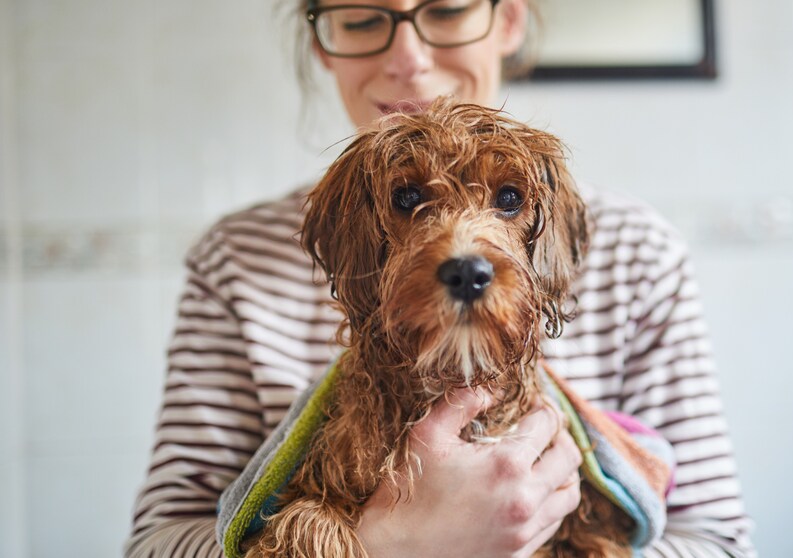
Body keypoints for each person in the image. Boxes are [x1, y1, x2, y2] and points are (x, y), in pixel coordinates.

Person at [125, 0, 756, 556]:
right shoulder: (234, 260)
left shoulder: (638, 251)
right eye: (365, 18)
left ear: (508, 17)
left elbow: (718, 542)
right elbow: (156, 544)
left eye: (447, 9)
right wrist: (394, 547)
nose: (409, 59)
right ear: (322, 38)